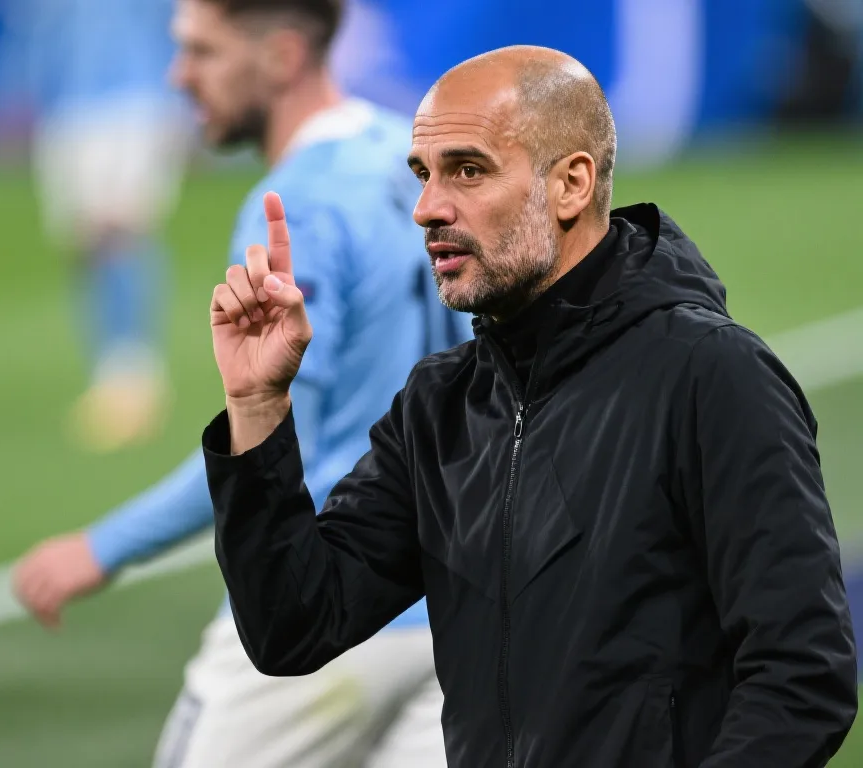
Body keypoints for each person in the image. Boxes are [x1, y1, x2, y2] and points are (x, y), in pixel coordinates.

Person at [202, 45, 858, 767]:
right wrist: (256, 406)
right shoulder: (440, 406)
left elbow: (802, 674)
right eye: (422, 174)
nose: (427, 209)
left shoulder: (711, 375)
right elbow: (294, 625)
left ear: (571, 184)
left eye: (468, 170)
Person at [13, 1, 470, 765]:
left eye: (203, 52)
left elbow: (269, 447)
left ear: (282, 56)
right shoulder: (411, 156)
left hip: (328, 599)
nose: (178, 76)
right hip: (457, 602)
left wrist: (100, 547)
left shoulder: (295, 208)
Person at [0, 0, 192, 451]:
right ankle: (110, 373)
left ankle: (137, 377)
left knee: (124, 233)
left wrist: (183, 104)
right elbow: (27, 30)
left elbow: (174, 23)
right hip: (67, 113)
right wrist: (12, 98)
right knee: (87, 246)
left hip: (136, 104)